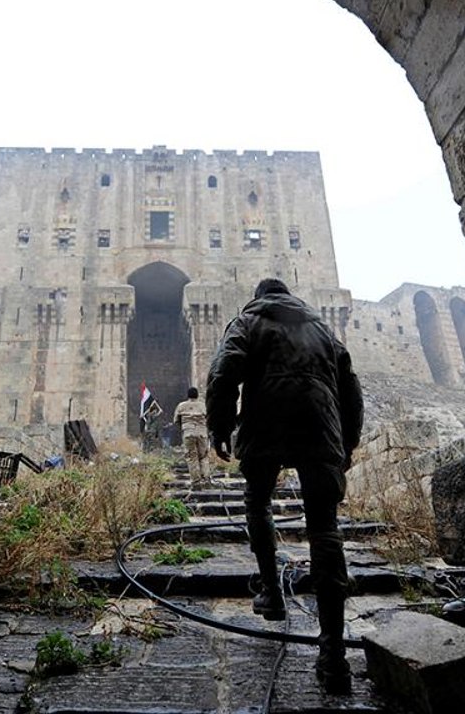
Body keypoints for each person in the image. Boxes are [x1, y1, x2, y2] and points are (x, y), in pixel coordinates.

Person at [205, 278, 364, 695]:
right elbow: (351, 388)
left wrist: (220, 425)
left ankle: (272, 592)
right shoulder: (322, 330)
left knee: (257, 501)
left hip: (266, 421)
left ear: (259, 297)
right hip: (320, 423)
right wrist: (347, 441)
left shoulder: (249, 321)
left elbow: (224, 371)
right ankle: (334, 655)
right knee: (325, 531)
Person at [173, 386, 212, 487]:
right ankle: (206, 478)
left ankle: (196, 481)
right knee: (203, 456)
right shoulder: (203, 406)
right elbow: (209, 419)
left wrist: (184, 427)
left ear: (188, 395)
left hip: (188, 432)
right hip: (202, 433)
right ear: (197, 395)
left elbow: (176, 420)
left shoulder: (181, 406)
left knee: (191, 456)